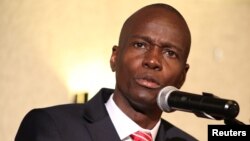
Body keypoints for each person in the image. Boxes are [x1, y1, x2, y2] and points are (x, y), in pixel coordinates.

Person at [15, 3, 198, 141]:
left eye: (170, 53)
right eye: (140, 45)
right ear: (114, 57)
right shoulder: (53, 127)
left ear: (183, 75)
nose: (152, 61)